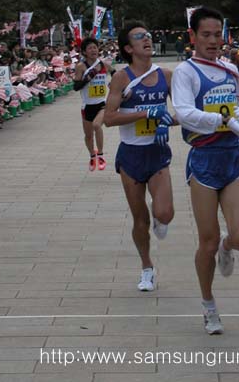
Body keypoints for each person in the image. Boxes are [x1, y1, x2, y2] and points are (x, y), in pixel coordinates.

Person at [171, 7, 239, 335]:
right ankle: (208, 305)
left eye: (217, 34)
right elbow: (185, 113)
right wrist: (224, 121)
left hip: (232, 161)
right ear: (192, 37)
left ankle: (228, 247)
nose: (213, 41)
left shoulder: (231, 69)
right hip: (204, 162)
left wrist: (237, 120)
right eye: (205, 34)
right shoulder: (186, 72)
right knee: (206, 241)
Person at [104, 20, 175, 292]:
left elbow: (181, 112)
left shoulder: (167, 76)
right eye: (139, 37)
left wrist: (168, 120)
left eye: (148, 35)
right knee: (140, 220)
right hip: (131, 155)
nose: (147, 39)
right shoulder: (122, 78)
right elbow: (109, 118)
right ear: (128, 48)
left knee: (165, 213)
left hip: (157, 152)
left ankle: (161, 217)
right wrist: (147, 113)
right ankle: (147, 268)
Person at [73, 37, 112, 172]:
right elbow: (76, 87)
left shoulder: (103, 64)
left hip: (101, 103)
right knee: (88, 135)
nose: (93, 50)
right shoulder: (81, 67)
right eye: (90, 48)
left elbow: (116, 74)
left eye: (95, 47)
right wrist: (88, 78)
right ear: (84, 52)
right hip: (87, 106)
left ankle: (100, 155)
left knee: (97, 125)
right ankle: (92, 155)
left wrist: (115, 83)